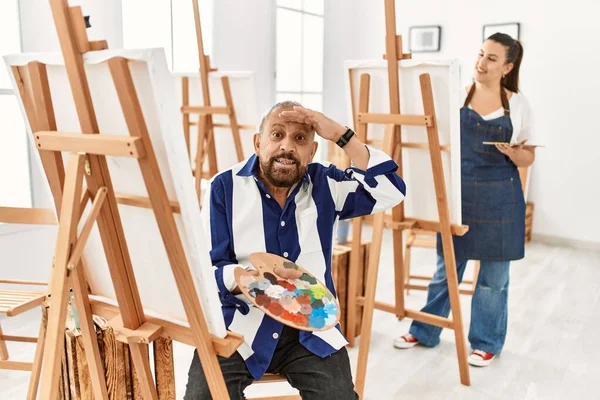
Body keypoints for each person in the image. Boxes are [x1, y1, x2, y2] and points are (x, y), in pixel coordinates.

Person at [184, 101, 406, 399]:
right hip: (240, 326)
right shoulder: (223, 187)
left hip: (311, 331)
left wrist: (342, 135)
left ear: (312, 151)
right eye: (277, 135)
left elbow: (390, 190)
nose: (287, 146)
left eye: (300, 138)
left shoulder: (326, 182)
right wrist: (238, 277)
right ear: (258, 142)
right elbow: (207, 269)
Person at [393, 33, 535, 367]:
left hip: (502, 199)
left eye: (491, 59)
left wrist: (515, 153)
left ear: (508, 67)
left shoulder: (518, 103)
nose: (481, 63)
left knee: (493, 282)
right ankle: (425, 329)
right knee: (447, 270)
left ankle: (485, 342)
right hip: (461, 198)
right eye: (480, 54)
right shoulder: (458, 95)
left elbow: (529, 156)